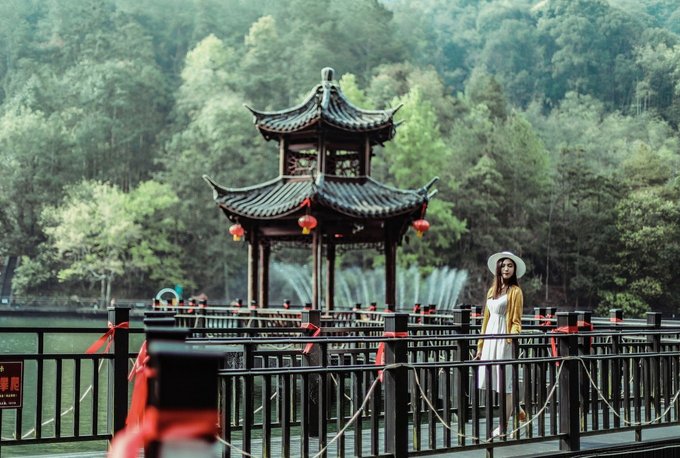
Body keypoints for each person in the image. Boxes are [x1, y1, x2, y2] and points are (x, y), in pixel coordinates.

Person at [474, 251, 526, 438]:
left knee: (506, 384)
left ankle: (503, 426)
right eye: (503, 265)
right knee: (495, 381)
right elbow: (485, 321)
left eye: (510, 266)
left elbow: (517, 321)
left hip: (504, 339)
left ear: (514, 270)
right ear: (498, 268)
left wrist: (511, 337)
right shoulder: (492, 291)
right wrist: (480, 347)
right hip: (490, 339)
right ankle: (517, 410)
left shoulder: (515, 291)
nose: (506, 268)